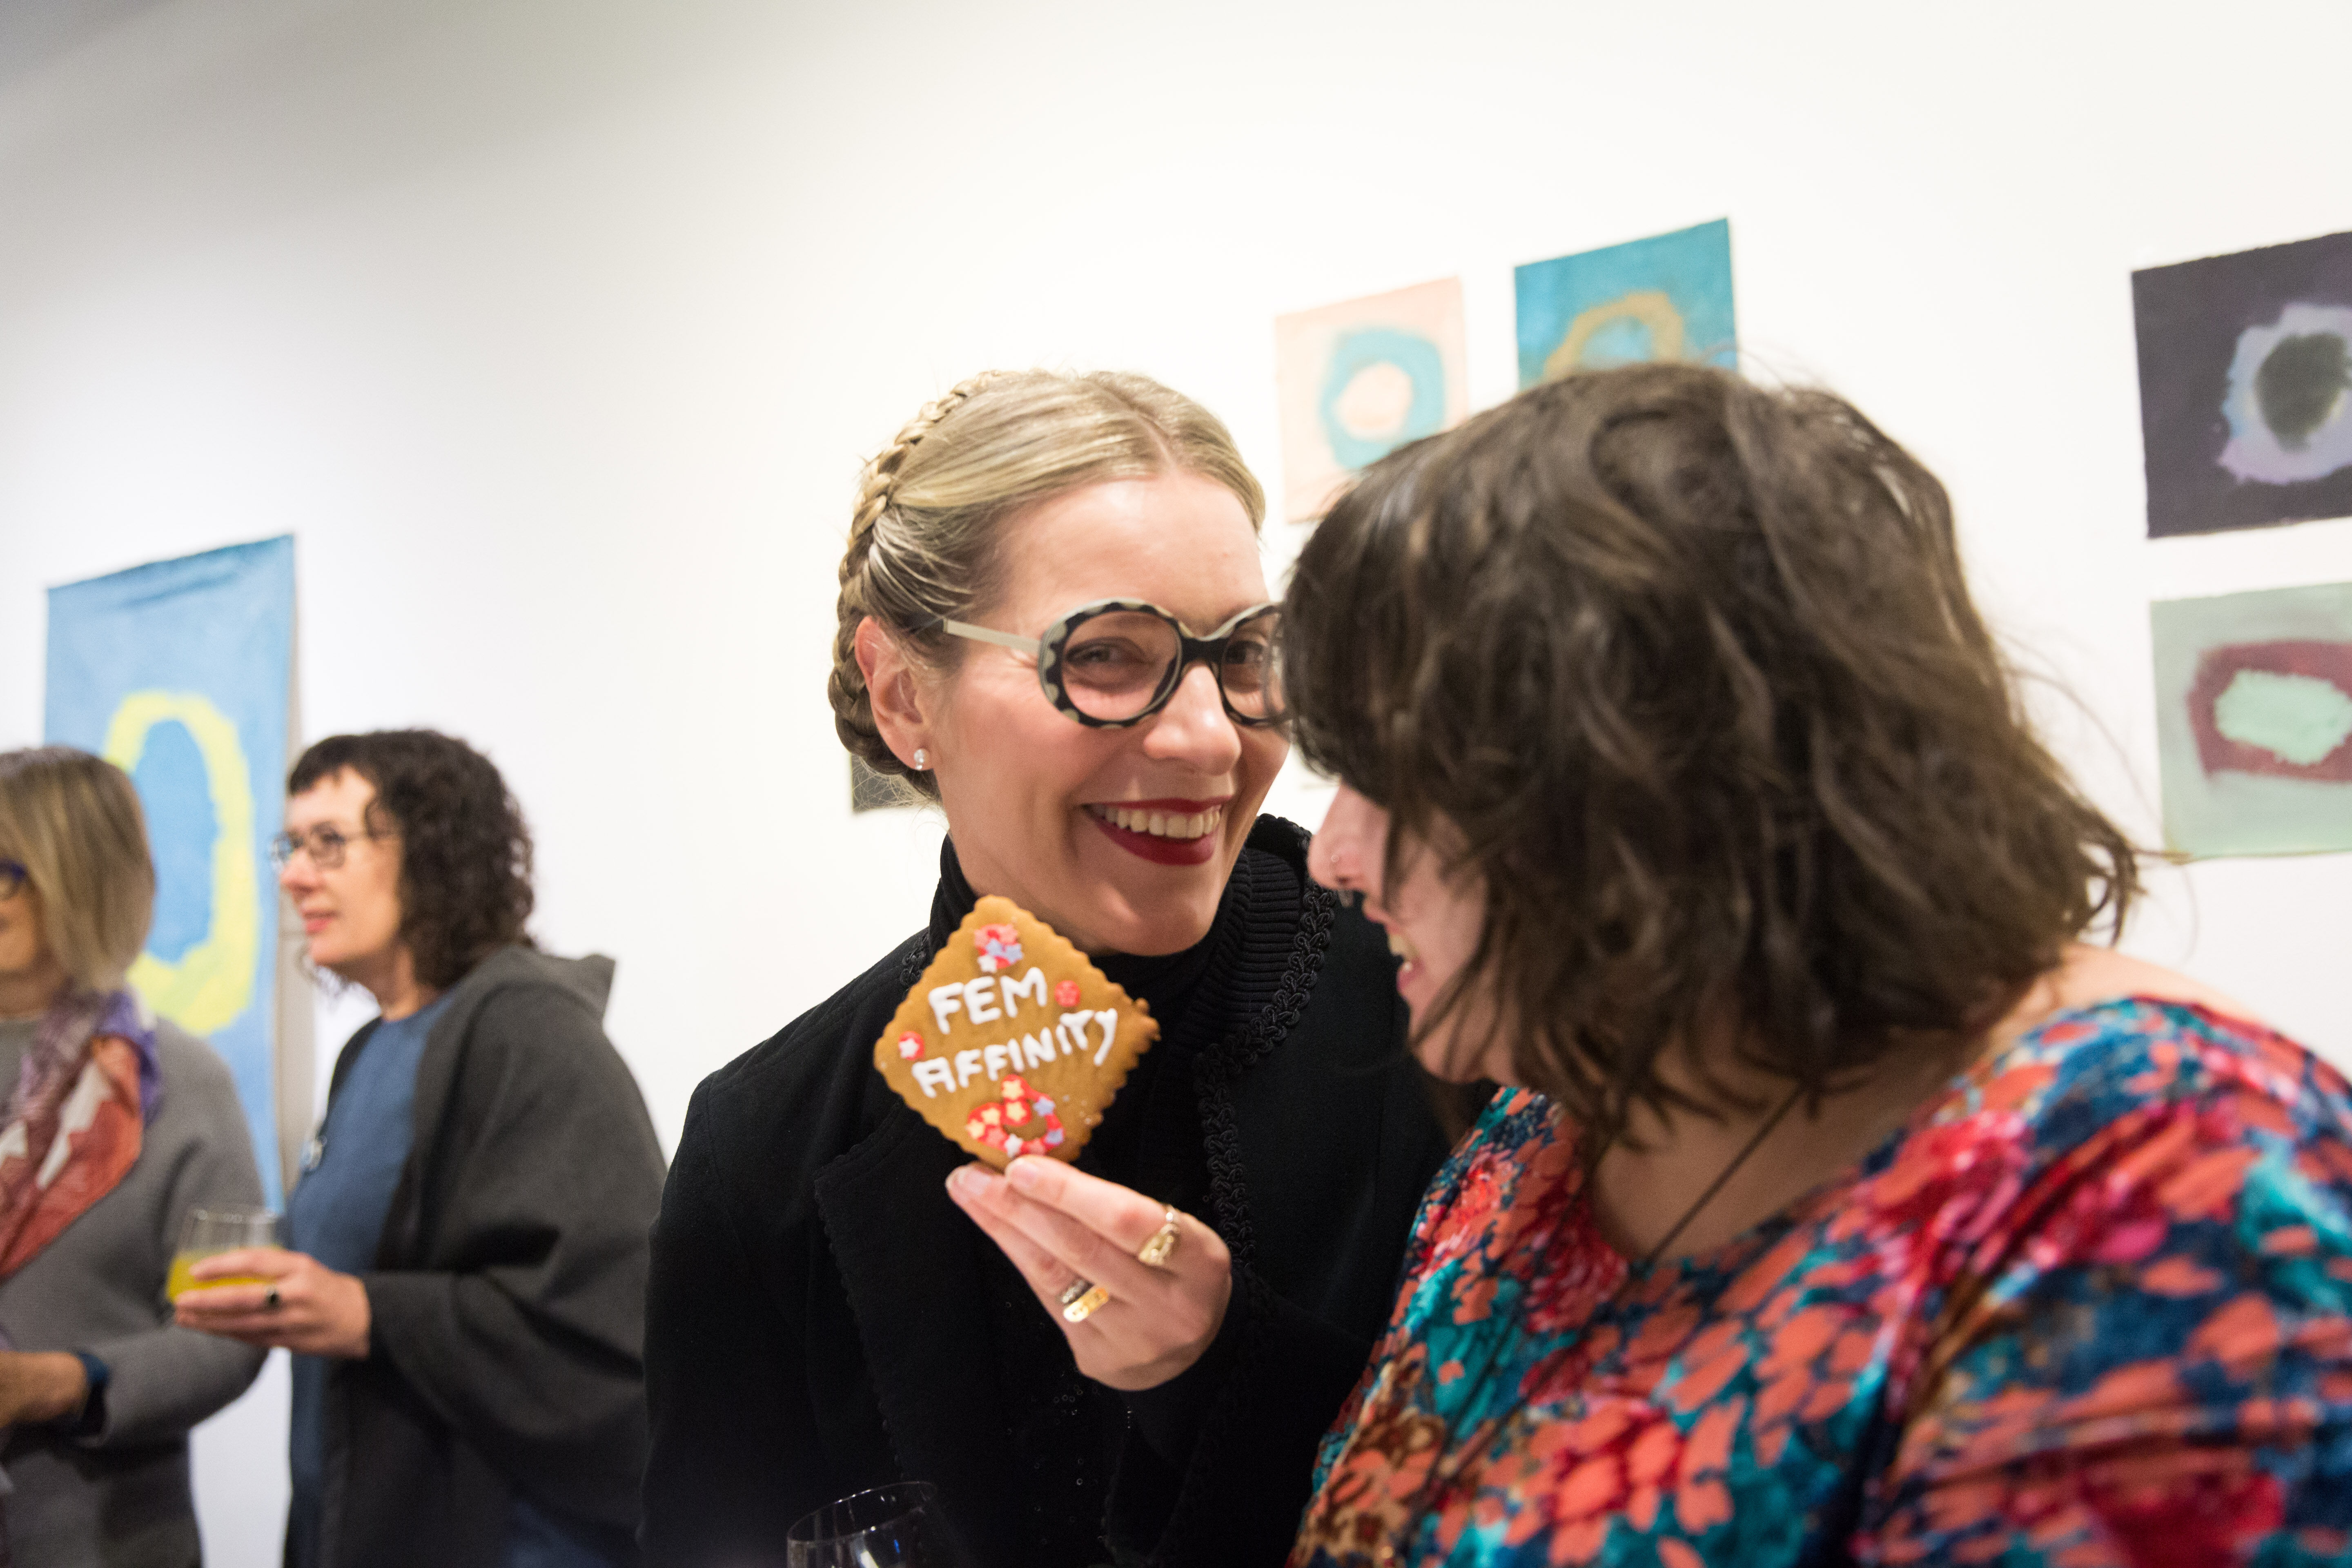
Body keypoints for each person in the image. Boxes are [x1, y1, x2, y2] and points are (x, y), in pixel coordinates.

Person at [1280, 363, 2352, 1566]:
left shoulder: (2164, 1173)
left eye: (1395, 778)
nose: (1334, 857)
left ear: (1652, 785)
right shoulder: (1539, 1140)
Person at [641, 370, 1459, 1568]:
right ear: (903, 693)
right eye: (1109, 657)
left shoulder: (1437, 1009)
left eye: (1244, 657)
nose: (1208, 740)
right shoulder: (764, 1146)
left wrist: (1224, 1373)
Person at [174, 730, 666, 1568]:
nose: (295, 875)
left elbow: (612, 1332)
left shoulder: (534, 1036)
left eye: (330, 843)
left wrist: (369, 1314)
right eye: (290, 847)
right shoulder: (370, 1052)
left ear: (437, 851)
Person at [0, 746, 265, 1567]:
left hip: (95, 1537)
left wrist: (60, 1381)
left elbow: (233, 1328)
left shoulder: (176, 1083)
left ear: (78, 877)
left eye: (8, 869)